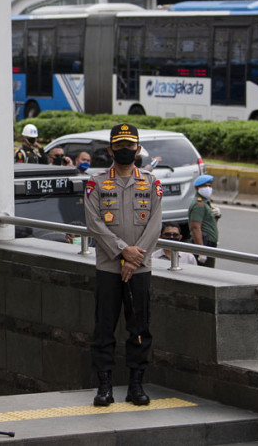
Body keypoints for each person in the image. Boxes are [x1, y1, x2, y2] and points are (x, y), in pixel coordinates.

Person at [85, 123, 162, 407]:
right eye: (120, 146)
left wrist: (135, 258)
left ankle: (136, 385)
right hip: (108, 269)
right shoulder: (97, 183)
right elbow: (94, 224)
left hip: (140, 270)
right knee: (104, 328)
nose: (125, 150)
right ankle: (104, 386)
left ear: (138, 149)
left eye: (130, 145)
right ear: (110, 149)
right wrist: (122, 253)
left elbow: (155, 225)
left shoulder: (151, 183)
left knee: (139, 328)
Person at [188, 175, 218, 268]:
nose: (208, 188)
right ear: (197, 188)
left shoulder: (205, 202)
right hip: (204, 244)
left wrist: (217, 216)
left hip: (208, 244)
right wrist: (201, 251)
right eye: (205, 186)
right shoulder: (199, 205)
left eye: (209, 186)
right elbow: (195, 228)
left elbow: (208, 223)